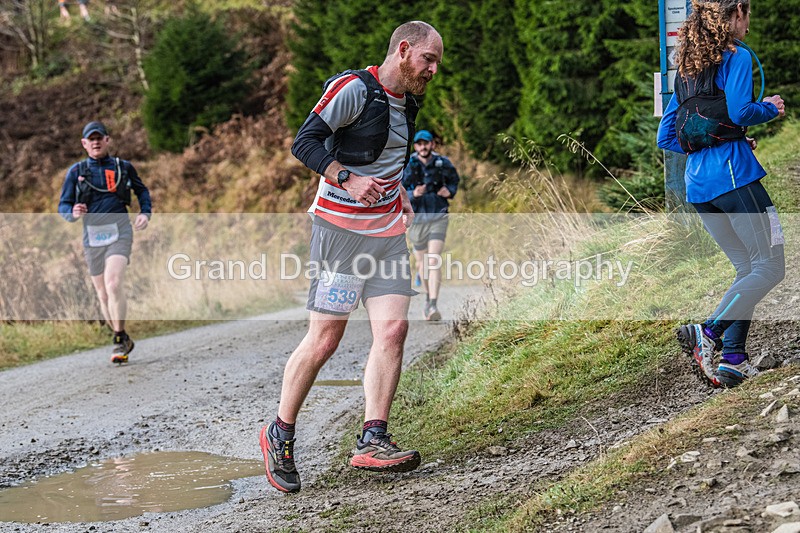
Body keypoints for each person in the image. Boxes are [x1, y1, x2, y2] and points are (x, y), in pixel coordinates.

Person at [259, 21, 443, 493]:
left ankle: (372, 439)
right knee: (325, 339)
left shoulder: (409, 99)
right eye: (428, 59)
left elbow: (388, 154)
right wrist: (348, 179)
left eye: (437, 62)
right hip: (340, 234)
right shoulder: (354, 89)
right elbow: (304, 143)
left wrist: (398, 192)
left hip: (387, 233)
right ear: (404, 50)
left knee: (394, 329)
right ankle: (280, 433)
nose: (433, 69)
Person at [657, 0, 785, 388]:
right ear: (736, 14)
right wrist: (770, 108)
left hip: (699, 188)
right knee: (770, 266)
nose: (749, 23)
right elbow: (742, 111)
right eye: (747, 15)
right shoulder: (737, 57)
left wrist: (720, 139)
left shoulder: (688, 69)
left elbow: (666, 136)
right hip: (735, 178)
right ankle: (708, 331)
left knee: (748, 268)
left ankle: (733, 360)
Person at [58, 121, 152, 364]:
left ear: (107, 140)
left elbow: (142, 191)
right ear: (84, 143)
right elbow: (63, 205)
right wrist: (72, 213)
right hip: (92, 237)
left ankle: (118, 339)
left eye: (99, 138)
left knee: (113, 283)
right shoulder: (76, 172)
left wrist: (145, 213)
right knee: (102, 295)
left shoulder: (123, 167)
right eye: (91, 139)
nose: (96, 142)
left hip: (120, 232)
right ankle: (123, 336)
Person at [402, 129, 459, 321]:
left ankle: (433, 303)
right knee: (422, 262)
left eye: (426, 143)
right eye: (419, 144)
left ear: (432, 144)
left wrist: (449, 191)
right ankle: (428, 299)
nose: (423, 147)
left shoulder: (443, 163)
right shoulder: (408, 164)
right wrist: (413, 194)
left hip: (438, 215)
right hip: (417, 218)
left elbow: (454, 180)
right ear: (415, 146)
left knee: (433, 259)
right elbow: (398, 188)